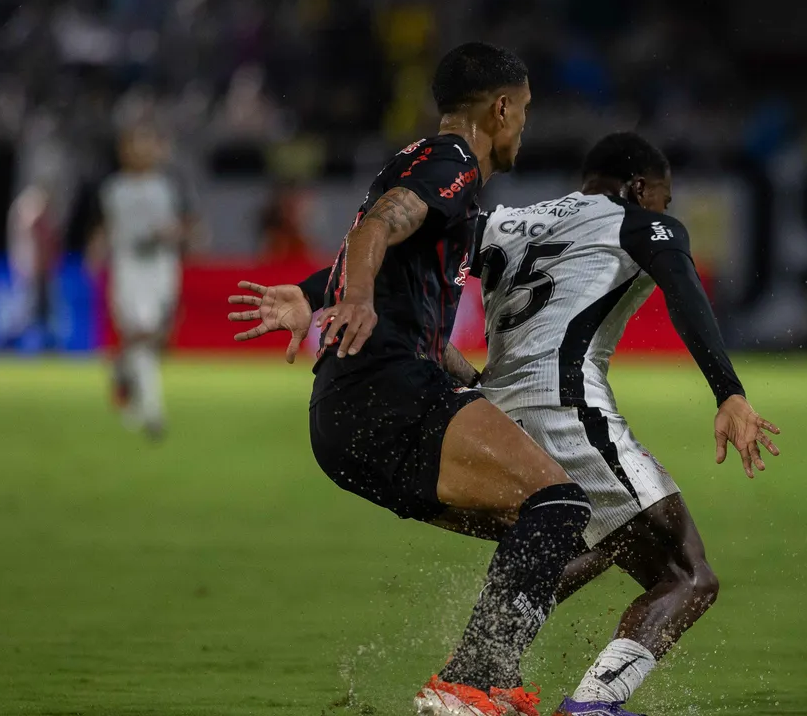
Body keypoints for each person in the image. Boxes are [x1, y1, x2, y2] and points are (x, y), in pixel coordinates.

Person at [232, 132, 780, 716]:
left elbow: (403, 253)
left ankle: (478, 669)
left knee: (583, 536)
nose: (663, 212)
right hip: (567, 407)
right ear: (641, 187)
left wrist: (314, 293)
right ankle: (587, 706)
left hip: (491, 410)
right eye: (663, 200)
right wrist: (730, 393)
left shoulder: (506, 221)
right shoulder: (640, 219)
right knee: (688, 575)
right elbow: (684, 287)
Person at [229, 43, 591, 716]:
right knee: (562, 506)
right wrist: (356, 299)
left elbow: (378, 256)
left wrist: (316, 296)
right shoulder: (451, 163)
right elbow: (374, 229)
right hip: (383, 393)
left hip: (353, 417)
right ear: (502, 108)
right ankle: (467, 680)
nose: (524, 127)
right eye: (525, 111)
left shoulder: (430, 171)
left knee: (549, 526)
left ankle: (486, 678)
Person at [90, 126, 196, 440]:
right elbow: (104, 225)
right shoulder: (112, 189)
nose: (141, 151)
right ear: (123, 150)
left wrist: (173, 233)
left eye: (147, 144)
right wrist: (96, 249)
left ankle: (122, 369)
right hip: (128, 267)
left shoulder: (169, 185)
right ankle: (152, 411)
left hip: (162, 267)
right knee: (141, 330)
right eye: (135, 145)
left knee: (155, 338)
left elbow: (189, 223)